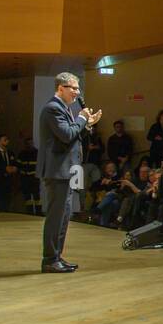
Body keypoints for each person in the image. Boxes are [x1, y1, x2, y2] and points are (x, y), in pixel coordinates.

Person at [37, 72, 101, 273]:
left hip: (69, 170)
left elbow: (75, 136)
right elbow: (66, 135)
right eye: (73, 88)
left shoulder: (64, 108)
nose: (77, 92)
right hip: (58, 170)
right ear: (60, 88)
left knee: (65, 215)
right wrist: (83, 118)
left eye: (77, 88)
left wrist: (87, 124)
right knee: (56, 216)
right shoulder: (52, 109)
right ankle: (49, 260)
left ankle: (56, 257)